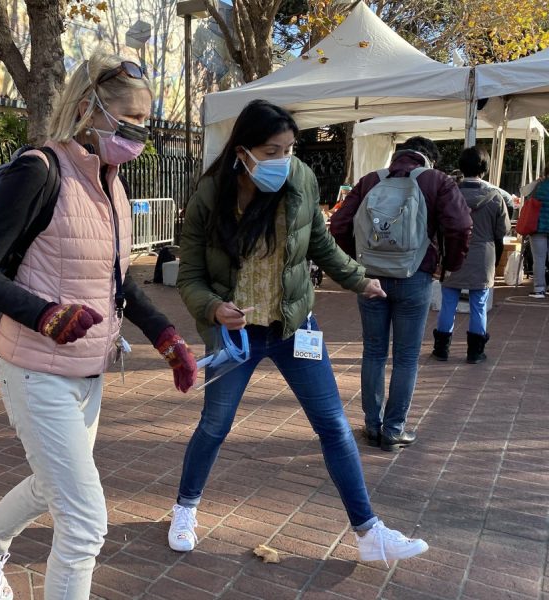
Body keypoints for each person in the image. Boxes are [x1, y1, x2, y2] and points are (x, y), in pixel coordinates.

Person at [0, 53, 197, 600]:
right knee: (85, 523)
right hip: (35, 371)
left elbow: (116, 284)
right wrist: (44, 313)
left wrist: (164, 334)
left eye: (146, 122)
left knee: (49, 486)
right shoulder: (38, 170)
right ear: (88, 109)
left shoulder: (112, 185)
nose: (139, 132)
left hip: (89, 373)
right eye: (128, 118)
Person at [167, 99, 427, 565]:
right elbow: (189, 274)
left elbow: (321, 242)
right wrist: (212, 309)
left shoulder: (301, 178)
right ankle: (185, 508)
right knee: (214, 425)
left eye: (289, 148)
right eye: (272, 150)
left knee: (332, 427)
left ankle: (369, 534)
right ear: (243, 150)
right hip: (237, 337)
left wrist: (358, 278)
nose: (283, 160)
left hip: (293, 327)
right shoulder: (210, 193)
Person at [330, 136, 472, 451]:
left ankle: (372, 426)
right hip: (414, 275)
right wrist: (446, 264)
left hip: (371, 279)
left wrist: (357, 261)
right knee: (406, 357)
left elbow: (339, 224)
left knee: (374, 352)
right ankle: (394, 430)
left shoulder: (370, 180)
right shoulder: (438, 181)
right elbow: (461, 226)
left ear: (397, 156)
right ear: (429, 159)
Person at [432, 147, 510, 363]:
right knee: (479, 304)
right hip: (483, 256)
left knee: (448, 302)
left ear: (461, 166)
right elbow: (501, 230)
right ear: (484, 169)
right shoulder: (495, 197)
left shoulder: (450, 195)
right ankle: (475, 352)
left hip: (453, 252)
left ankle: (441, 349)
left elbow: (439, 225)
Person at [526, 167, 549, 299]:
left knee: (539, 259)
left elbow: (526, 197)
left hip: (538, 226)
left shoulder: (538, 186)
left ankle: (539, 289)